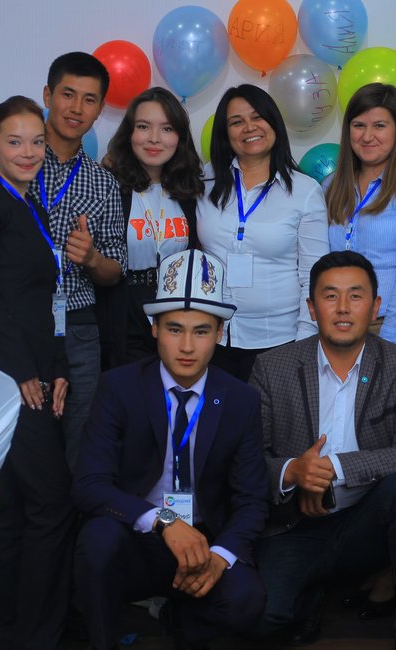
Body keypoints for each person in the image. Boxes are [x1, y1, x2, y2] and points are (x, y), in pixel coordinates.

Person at [0, 51, 126, 472]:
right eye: (67, 94)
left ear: (100, 110)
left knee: (76, 448)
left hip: (75, 329)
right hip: (7, 324)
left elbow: (116, 268)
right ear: (47, 95)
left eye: (90, 99)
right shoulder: (8, 154)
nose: (76, 108)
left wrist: (92, 258)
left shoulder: (103, 183)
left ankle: (68, 517)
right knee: (4, 449)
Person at [72, 249, 267, 650]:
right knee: (97, 541)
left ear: (219, 333)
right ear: (154, 329)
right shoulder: (119, 387)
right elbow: (90, 484)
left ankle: (184, 619)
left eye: (201, 331)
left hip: (202, 540)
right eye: (175, 329)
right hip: (137, 534)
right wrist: (164, 521)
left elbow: (252, 500)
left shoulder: (240, 399)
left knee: (247, 601)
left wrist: (220, 556)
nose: (187, 346)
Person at [250, 251, 396, 650]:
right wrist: (294, 472)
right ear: (311, 307)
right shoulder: (273, 367)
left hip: (367, 523)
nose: (342, 308)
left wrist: (332, 468)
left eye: (355, 296)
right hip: (296, 526)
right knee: (263, 620)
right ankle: (314, 590)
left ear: (375, 306)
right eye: (330, 296)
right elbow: (248, 460)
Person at [0, 95, 74, 649]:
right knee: (49, 504)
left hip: (29, 374)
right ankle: (35, 635)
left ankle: (13, 630)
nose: (28, 152)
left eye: (36, 142)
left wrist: (58, 367)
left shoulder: (30, 205)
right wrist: (24, 372)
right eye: (14, 142)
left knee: (21, 506)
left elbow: (41, 305)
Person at [197, 84, 329, 382]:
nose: (249, 127)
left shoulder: (305, 191)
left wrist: (305, 341)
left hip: (279, 340)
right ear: (225, 132)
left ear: (274, 123)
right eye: (236, 121)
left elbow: (314, 275)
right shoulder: (204, 181)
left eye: (257, 117)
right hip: (213, 337)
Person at [324, 83, 396, 375]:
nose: (367, 136)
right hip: (342, 326)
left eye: (379, 125)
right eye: (359, 125)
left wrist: (389, 336)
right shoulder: (331, 186)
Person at [99, 86, 204, 368]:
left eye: (167, 128)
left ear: (179, 137)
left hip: (175, 310)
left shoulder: (190, 190)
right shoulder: (109, 186)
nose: (154, 138)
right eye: (144, 126)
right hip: (123, 310)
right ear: (129, 133)